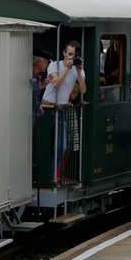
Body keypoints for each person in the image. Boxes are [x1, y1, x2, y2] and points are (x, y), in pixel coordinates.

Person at [40, 41, 82, 182]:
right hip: (47, 108)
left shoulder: (77, 69)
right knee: (45, 144)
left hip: (61, 110)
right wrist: (66, 69)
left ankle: (52, 176)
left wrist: (78, 71)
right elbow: (57, 84)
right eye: (69, 54)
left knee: (62, 146)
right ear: (64, 53)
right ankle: (47, 176)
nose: (71, 58)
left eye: (74, 56)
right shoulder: (54, 65)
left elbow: (83, 89)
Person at [31, 48, 53, 122]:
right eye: (47, 62)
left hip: (34, 111)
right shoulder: (28, 74)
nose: (47, 65)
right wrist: (40, 86)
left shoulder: (38, 76)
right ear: (39, 61)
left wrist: (38, 106)